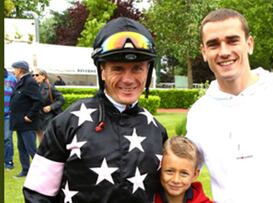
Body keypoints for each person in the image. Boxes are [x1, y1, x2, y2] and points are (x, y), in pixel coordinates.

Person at [186, 9, 273, 203]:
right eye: (213, 44)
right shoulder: (199, 113)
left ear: (249, 44)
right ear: (204, 52)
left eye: (232, 40)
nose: (224, 51)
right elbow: (181, 171)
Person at [23, 17, 168, 203]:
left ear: (148, 71)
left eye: (137, 68)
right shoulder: (66, 124)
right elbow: (37, 194)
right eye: (117, 68)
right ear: (102, 71)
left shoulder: (157, 131)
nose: (128, 79)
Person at [154, 136, 213, 203]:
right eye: (170, 171)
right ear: (160, 169)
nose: (176, 180)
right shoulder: (146, 197)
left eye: (184, 173)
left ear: (194, 175)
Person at [9, 60, 42, 177]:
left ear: (20, 69)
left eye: (15, 68)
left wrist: (29, 116)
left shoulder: (29, 82)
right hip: (20, 122)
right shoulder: (21, 81)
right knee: (21, 147)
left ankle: (42, 171)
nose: (13, 71)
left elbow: (38, 101)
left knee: (31, 148)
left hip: (27, 122)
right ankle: (26, 170)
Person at [32, 68, 65, 141]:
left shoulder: (50, 87)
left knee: (49, 138)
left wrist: (51, 107)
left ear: (43, 76)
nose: (34, 77)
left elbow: (61, 99)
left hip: (48, 117)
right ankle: (43, 151)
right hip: (37, 117)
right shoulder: (32, 88)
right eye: (33, 75)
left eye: (37, 75)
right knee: (40, 138)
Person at [4, 68, 17, 170]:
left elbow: (17, 96)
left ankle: (8, 162)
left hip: (8, 115)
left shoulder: (11, 78)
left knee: (7, 139)